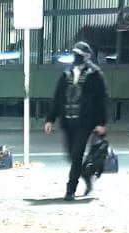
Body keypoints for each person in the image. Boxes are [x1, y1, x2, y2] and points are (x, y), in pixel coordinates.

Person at [43, 41, 109, 201]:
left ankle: (70, 189)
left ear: (87, 56)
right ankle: (86, 174)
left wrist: (102, 122)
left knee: (77, 153)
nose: (77, 58)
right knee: (71, 156)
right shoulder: (67, 74)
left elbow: (102, 100)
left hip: (85, 123)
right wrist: (50, 119)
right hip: (67, 122)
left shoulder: (95, 74)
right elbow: (58, 97)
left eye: (80, 55)